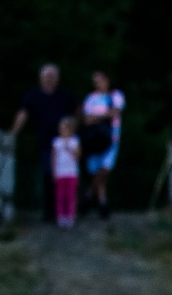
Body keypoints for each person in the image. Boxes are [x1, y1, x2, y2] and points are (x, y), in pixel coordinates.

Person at [10, 64, 76, 223]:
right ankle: (49, 212)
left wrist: (73, 132)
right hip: (45, 143)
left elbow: (76, 113)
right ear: (41, 78)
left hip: (65, 145)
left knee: (66, 179)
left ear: (57, 78)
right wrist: (13, 133)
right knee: (48, 175)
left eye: (52, 76)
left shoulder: (65, 95)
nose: (49, 79)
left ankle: (66, 212)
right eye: (47, 76)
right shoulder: (33, 96)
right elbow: (23, 114)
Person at [80, 71, 124, 218]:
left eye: (100, 81)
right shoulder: (90, 98)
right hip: (94, 140)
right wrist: (105, 114)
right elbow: (86, 120)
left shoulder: (116, 95)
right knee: (96, 171)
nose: (98, 84)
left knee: (104, 170)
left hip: (111, 139)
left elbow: (116, 112)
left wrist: (96, 117)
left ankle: (88, 195)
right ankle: (102, 203)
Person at [52, 117, 81, 228]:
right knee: (60, 196)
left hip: (72, 173)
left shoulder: (75, 141)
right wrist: (54, 172)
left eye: (66, 128)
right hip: (60, 173)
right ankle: (61, 216)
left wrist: (69, 147)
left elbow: (78, 156)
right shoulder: (56, 142)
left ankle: (70, 216)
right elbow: (54, 158)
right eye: (61, 128)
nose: (63, 131)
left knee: (71, 196)